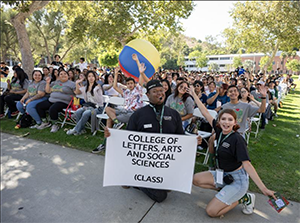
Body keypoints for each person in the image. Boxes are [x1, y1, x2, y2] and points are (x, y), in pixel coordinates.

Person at [104, 80, 202, 203]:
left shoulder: (174, 115)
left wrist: (193, 142)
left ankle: (140, 182)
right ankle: (135, 182)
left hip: (164, 164)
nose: (158, 93)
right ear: (148, 95)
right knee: (161, 197)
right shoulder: (138, 115)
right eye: (154, 91)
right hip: (143, 165)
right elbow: (126, 139)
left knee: (168, 189)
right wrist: (112, 135)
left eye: (161, 91)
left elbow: (180, 138)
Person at [189, 85, 276, 217]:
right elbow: (205, 111)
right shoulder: (219, 130)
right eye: (223, 119)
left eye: (230, 120)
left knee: (211, 212)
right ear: (219, 121)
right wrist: (194, 95)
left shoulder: (237, 139)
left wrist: (264, 189)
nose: (226, 122)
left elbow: (247, 165)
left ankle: (243, 198)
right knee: (196, 179)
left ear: (235, 122)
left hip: (237, 180)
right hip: (222, 174)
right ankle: (227, 192)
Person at [92, 54, 149, 153]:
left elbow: (141, 75)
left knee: (109, 119)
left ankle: (105, 143)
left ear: (134, 84)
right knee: (107, 109)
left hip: (133, 113)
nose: (130, 85)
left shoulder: (138, 90)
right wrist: (116, 73)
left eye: (131, 83)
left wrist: (137, 61)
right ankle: (116, 123)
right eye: (128, 84)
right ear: (126, 85)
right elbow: (114, 86)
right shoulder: (126, 92)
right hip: (124, 111)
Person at [67, 71, 104, 135]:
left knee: (86, 113)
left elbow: (100, 101)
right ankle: (82, 130)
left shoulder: (98, 87)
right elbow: (80, 94)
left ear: (95, 78)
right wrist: (77, 83)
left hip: (97, 108)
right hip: (89, 106)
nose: (91, 78)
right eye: (89, 76)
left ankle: (76, 129)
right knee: (78, 111)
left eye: (92, 76)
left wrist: (95, 91)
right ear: (87, 78)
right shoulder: (86, 87)